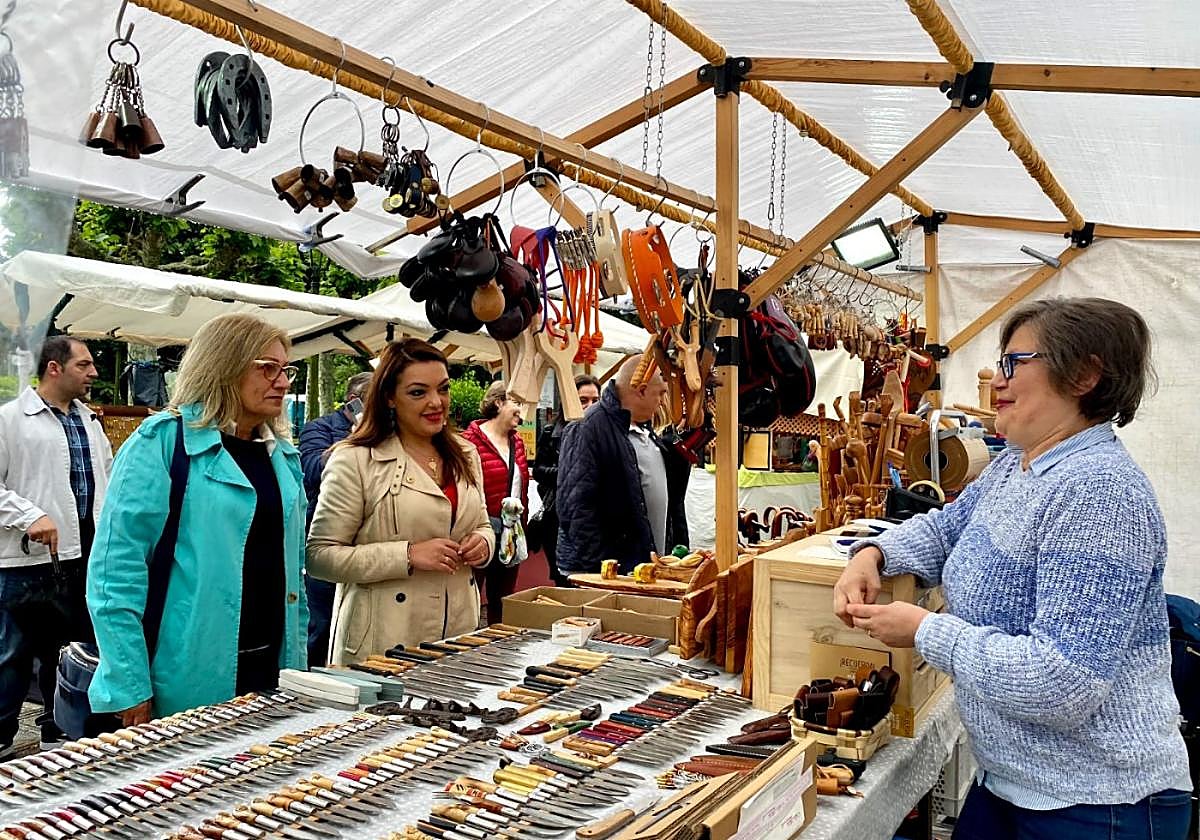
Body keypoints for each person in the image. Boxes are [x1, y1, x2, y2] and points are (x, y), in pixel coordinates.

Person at [833, 298, 1191, 840]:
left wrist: (927, 631)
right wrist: (874, 555)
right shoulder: (1015, 466)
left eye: (1013, 363)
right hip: (1010, 782)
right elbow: (945, 530)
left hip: (1097, 804)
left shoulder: (1100, 493)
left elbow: (1063, 684)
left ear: (1084, 375)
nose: (996, 381)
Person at [88, 313, 308, 723]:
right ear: (224, 366)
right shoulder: (162, 443)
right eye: (268, 368)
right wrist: (128, 684)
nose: (282, 381)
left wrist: (299, 666)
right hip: (183, 678)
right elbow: (113, 576)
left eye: (285, 370)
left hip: (274, 673)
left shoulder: (281, 455)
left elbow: (294, 575)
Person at [307, 340, 492, 664]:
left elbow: (482, 523)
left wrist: (483, 543)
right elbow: (320, 557)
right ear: (389, 397)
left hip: (459, 634)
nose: (436, 402)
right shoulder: (355, 460)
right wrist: (406, 555)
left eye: (443, 389)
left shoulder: (466, 454)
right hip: (383, 642)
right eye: (418, 392)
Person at [0, 336, 112, 754]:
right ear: (54, 368)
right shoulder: (10, 420)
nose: (93, 373)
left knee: (67, 652)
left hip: (84, 556)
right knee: (10, 655)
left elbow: (107, 482)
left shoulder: (90, 422)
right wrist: (30, 516)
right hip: (24, 561)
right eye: (83, 365)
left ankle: (58, 730)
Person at [556, 358, 690, 577]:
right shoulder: (587, 427)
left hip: (639, 569)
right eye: (661, 393)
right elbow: (575, 506)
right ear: (641, 390)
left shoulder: (644, 428)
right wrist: (604, 570)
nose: (663, 401)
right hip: (610, 573)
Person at [299, 371, 372, 666]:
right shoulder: (319, 428)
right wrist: (357, 438)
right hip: (328, 543)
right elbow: (313, 470)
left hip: (367, 546)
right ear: (355, 402)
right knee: (322, 626)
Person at [462, 382, 531, 625]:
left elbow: (521, 486)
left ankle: (498, 647)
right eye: (517, 403)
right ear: (499, 402)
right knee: (469, 598)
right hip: (478, 531)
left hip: (511, 532)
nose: (522, 412)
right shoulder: (468, 441)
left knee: (503, 600)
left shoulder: (518, 442)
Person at [531, 375, 601, 586]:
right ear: (569, 400)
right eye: (583, 400)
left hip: (595, 520)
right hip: (558, 518)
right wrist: (569, 473)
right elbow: (539, 471)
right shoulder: (552, 432)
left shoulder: (606, 434)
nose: (590, 406)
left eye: (595, 400)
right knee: (564, 580)